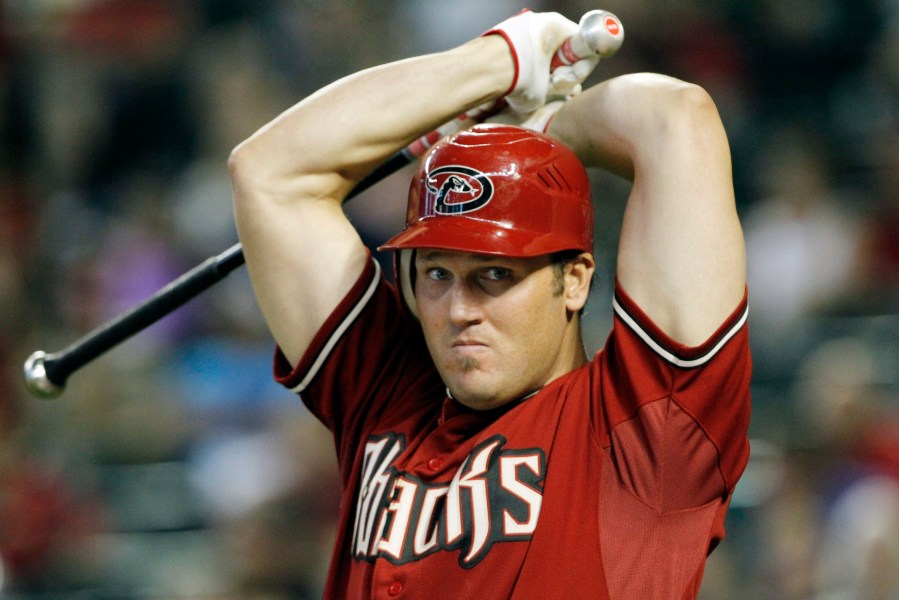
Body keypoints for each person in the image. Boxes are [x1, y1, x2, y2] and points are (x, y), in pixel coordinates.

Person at [228, 9, 751, 599]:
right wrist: (499, 59)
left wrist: (545, 131)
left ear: (575, 280)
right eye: (436, 275)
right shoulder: (388, 393)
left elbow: (674, 120)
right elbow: (269, 174)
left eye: (496, 275)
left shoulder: (649, 429)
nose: (458, 310)